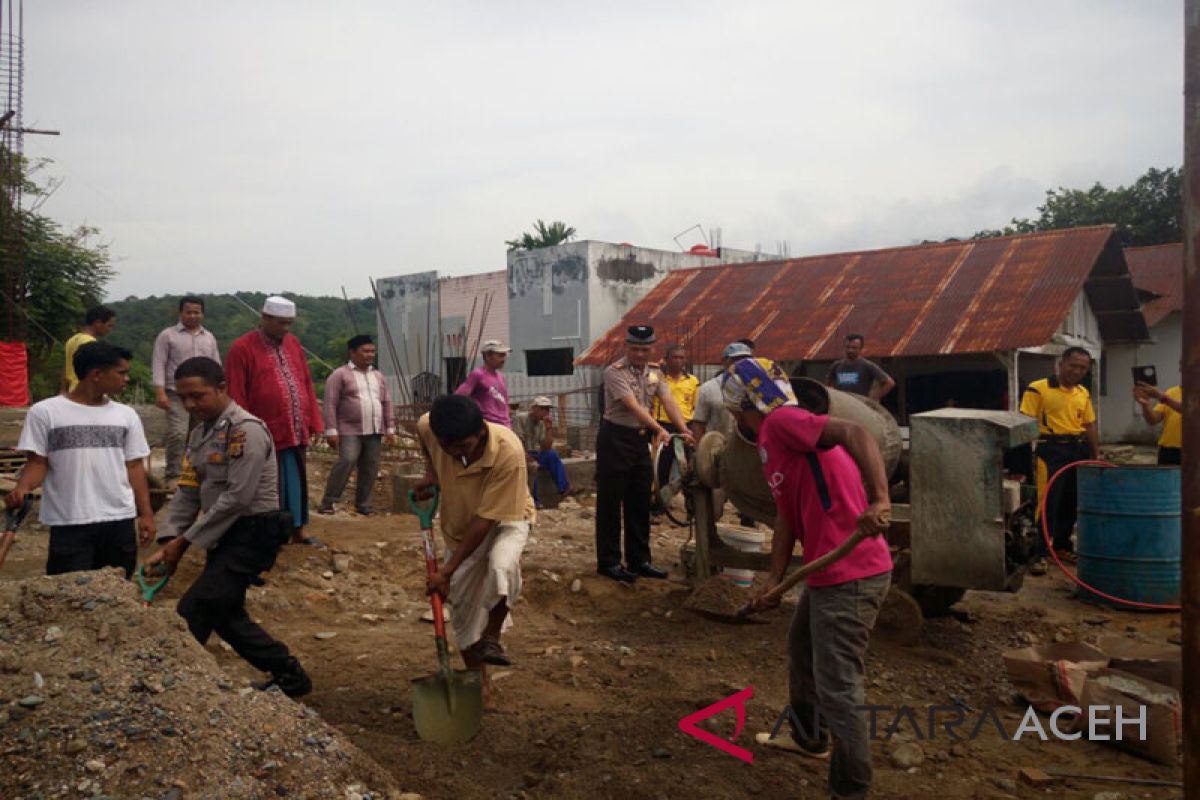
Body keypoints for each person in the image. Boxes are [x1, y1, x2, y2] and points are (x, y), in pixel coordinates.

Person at [729, 358, 892, 800]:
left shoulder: (782, 421)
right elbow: (786, 514)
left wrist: (880, 497)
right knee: (801, 648)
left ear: (746, 406)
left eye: (736, 412)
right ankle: (808, 737)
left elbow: (855, 433)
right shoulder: (774, 440)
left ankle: (850, 789)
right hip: (825, 572)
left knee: (839, 686)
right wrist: (774, 580)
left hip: (852, 574)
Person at [144, 357, 311, 698]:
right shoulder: (201, 433)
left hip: (253, 532)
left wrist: (184, 543)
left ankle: (173, 683)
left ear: (222, 388)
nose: (190, 404)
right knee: (224, 611)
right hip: (225, 533)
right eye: (184, 398)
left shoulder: (245, 430)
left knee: (197, 607)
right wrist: (169, 538)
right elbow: (189, 491)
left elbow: (237, 498)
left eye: (198, 396)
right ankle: (289, 674)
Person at [415, 394, 534, 707]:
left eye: (464, 447)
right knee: (464, 609)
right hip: (459, 524)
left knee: (501, 565)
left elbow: (485, 521)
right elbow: (424, 436)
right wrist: (431, 472)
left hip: (506, 516)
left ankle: (492, 638)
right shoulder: (430, 427)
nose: (456, 454)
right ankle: (479, 679)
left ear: (481, 431)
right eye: (448, 448)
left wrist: (446, 570)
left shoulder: (508, 451)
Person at [6, 341, 155, 577]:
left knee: (117, 591)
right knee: (68, 594)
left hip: (119, 518)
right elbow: (38, 462)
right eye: (121, 373)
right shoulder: (46, 412)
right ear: (96, 374)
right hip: (69, 520)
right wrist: (23, 487)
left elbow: (134, 466)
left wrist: (145, 514)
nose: (126, 379)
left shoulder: (126, 415)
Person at [594, 325, 693, 583]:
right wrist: (659, 428)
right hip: (615, 439)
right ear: (627, 347)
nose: (640, 354)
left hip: (640, 440)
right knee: (610, 503)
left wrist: (684, 429)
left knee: (639, 501)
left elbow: (668, 400)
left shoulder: (655, 374)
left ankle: (640, 560)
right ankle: (609, 562)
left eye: (645, 349)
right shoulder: (614, 373)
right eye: (635, 349)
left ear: (652, 349)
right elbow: (633, 406)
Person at [225, 296, 324, 545]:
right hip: (263, 430)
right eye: (281, 323)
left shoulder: (294, 344)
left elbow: (306, 382)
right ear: (265, 318)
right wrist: (243, 429)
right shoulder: (242, 348)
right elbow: (235, 393)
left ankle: (298, 528)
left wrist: (314, 420)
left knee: (298, 480)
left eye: (290, 323)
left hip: (295, 426)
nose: (286, 329)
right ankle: (270, 534)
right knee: (269, 484)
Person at [1019, 347, 1099, 565]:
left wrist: (1095, 455)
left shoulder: (1082, 392)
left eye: (1082, 368)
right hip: (1051, 450)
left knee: (1072, 501)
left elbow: (1089, 424)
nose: (1077, 371)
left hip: (1077, 449)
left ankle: (1062, 545)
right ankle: (1039, 553)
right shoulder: (1038, 389)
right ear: (1061, 364)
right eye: (1073, 365)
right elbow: (1025, 421)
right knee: (1048, 501)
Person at [319, 335, 396, 515]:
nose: (370, 355)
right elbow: (330, 402)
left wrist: (390, 428)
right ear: (352, 352)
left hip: (375, 429)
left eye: (372, 351)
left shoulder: (378, 376)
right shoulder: (340, 374)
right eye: (365, 351)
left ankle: (364, 505)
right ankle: (328, 502)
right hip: (349, 429)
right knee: (347, 461)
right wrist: (331, 430)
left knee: (370, 467)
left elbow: (386, 402)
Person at [152, 296, 221, 486]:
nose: (192, 316)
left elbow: (215, 364)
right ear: (180, 313)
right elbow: (159, 363)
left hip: (204, 394)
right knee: (178, 433)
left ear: (202, 314)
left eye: (196, 312)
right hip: (176, 393)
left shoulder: (209, 337)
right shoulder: (167, 336)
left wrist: (219, 390)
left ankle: (198, 473)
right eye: (188, 312)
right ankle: (173, 475)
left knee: (202, 433)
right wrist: (160, 392)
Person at [691, 340, 756, 527]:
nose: (741, 364)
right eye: (735, 360)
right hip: (719, 454)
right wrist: (700, 452)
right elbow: (699, 423)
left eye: (746, 360)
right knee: (714, 505)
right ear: (725, 362)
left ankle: (747, 537)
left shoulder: (758, 387)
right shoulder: (708, 389)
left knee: (750, 505)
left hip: (747, 452)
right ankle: (709, 541)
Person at [513, 396, 571, 508]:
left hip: (534, 453)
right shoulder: (520, 419)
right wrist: (529, 458)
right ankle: (534, 501)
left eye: (547, 409)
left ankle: (564, 489)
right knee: (531, 467)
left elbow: (546, 446)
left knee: (552, 455)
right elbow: (517, 444)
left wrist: (549, 428)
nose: (546, 412)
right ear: (534, 408)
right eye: (543, 408)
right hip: (520, 454)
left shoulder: (541, 423)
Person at [455, 340, 512, 427]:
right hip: (488, 424)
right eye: (500, 355)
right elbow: (458, 397)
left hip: (505, 425)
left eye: (504, 355)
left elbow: (504, 402)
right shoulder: (477, 374)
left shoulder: (500, 377)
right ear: (488, 356)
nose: (503, 359)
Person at [62, 305, 117, 393]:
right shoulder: (90, 343)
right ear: (98, 323)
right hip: (84, 392)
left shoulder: (72, 340)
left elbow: (66, 370)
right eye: (109, 325)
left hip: (71, 391)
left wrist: (63, 391)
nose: (110, 330)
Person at [825, 334, 895, 400]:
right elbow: (828, 385)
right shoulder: (836, 366)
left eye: (854, 348)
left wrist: (872, 399)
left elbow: (889, 383)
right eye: (848, 347)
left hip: (860, 406)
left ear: (861, 349)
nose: (850, 350)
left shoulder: (867, 366)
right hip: (842, 405)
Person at [1134, 381, 1183, 465]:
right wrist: (1145, 405)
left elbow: (1190, 409)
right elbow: (1153, 420)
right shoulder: (1171, 392)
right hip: (1168, 450)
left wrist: (1161, 396)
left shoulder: (1165, 397)